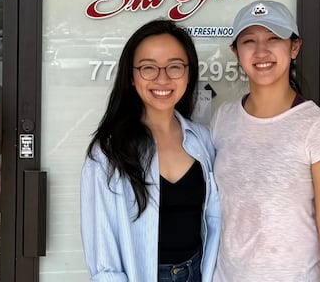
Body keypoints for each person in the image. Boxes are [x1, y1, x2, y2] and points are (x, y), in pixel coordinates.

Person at [210, 0, 320, 281]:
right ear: (235, 51)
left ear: (294, 47)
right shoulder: (222, 119)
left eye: (274, 38)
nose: (262, 51)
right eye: (249, 41)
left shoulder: (317, 128)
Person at [80, 19, 220, 282]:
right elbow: (103, 252)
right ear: (132, 77)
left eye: (175, 67)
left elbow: (213, 226)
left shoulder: (203, 141)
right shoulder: (108, 153)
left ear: (188, 73)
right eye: (148, 68)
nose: (162, 78)